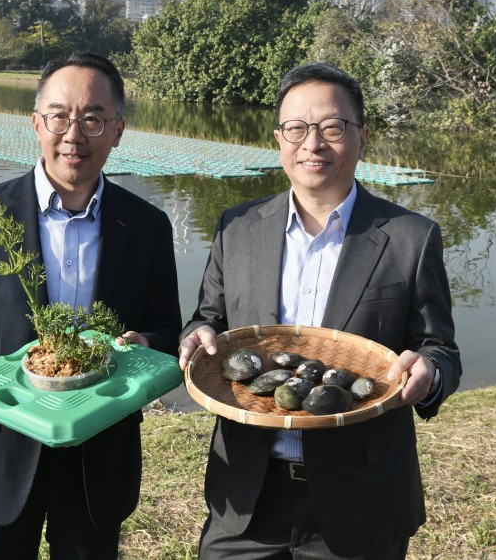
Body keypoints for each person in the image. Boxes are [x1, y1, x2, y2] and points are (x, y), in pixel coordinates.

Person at [178, 63, 461, 559]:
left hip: (361, 496)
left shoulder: (410, 239)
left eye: (332, 127)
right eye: (297, 128)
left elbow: (440, 348)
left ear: (361, 137)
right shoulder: (237, 227)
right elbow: (210, 318)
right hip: (247, 489)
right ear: (279, 138)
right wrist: (197, 334)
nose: (313, 144)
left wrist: (430, 372)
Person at [0, 51, 182, 560]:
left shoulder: (146, 225)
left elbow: (165, 326)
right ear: (36, 124)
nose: (74, 134)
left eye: (93, 119)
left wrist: (143, 344)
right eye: (59, 116)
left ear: (118, 129)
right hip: (1, 442)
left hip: (99, 448)